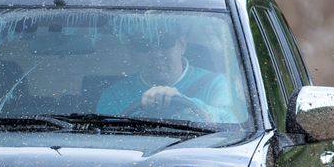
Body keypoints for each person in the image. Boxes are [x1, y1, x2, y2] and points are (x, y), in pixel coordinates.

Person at [95, 25, 233, 124]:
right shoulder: (115, 95)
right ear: (132, 52)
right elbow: (103, 139)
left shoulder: (215, 84)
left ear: (182, 45)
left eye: (165, 42)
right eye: (143, 45)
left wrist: (184, 102)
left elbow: (232, 125)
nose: (156, 54)